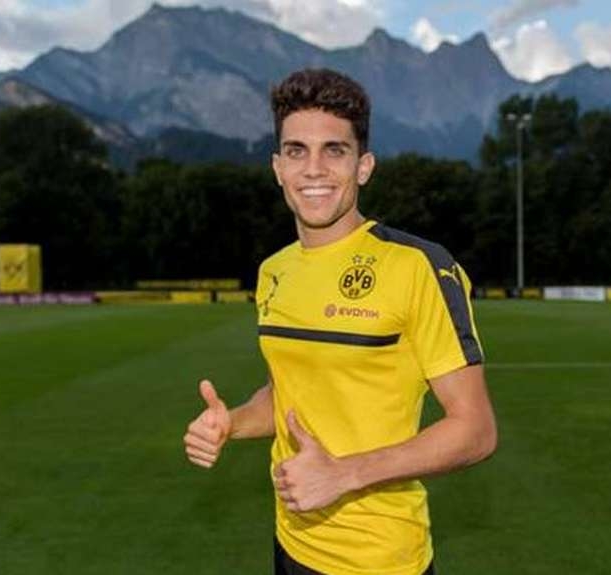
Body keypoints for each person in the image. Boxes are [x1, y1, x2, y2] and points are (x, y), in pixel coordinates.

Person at [183, 68, 497, 575]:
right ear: (277, 167)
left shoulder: (418, 266)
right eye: (296, 151)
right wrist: (231, 423)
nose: (314, 170)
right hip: (292, 543)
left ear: (363, 166)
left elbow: (476, 430)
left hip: (378, 559)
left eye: (334, 150)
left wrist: (344, 475)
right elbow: (288, 394)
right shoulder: (274, 271)